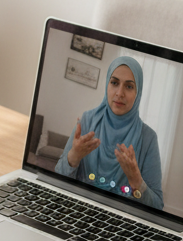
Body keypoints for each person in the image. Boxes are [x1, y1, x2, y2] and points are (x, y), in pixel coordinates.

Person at [55, 56, 163, 209]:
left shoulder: (148, 138)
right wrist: (73, 156)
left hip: (121, 221)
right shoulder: (87, 121)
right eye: (114, 83)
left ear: (138, 93)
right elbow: (57, 180)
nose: (119, 93)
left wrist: (137, 181)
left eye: (129, 86)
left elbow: (158, 206)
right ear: (107, 84)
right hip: (78, 209)